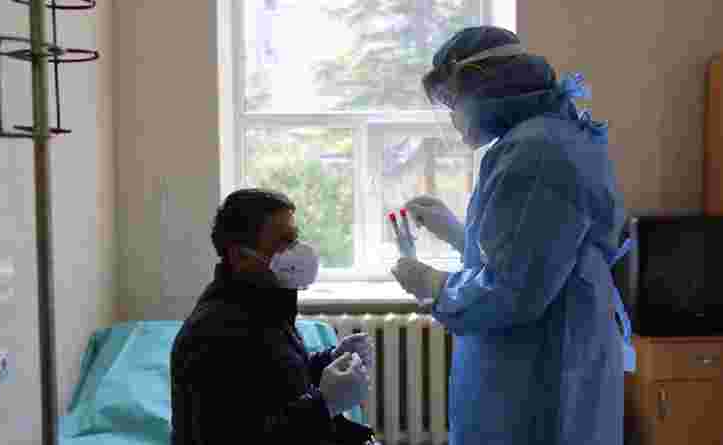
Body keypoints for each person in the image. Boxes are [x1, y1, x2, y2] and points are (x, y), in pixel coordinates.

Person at [390, 26, 633, 445]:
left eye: (452, 101)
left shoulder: (535, 151)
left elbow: (514, 289)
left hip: (542, 364)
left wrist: (434, 285)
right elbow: (535, 249)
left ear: (485, 86)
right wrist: (458, 234)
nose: (453, 116)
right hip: (560, 340)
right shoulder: (549, 135)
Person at [170, 188, 377, 445]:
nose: (297, 250)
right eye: (284, 241)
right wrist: (324, 406)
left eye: (295, 238)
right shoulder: (212, 335)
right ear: (240, 256)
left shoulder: (265, 303)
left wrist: (328, 360)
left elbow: (273, 377)